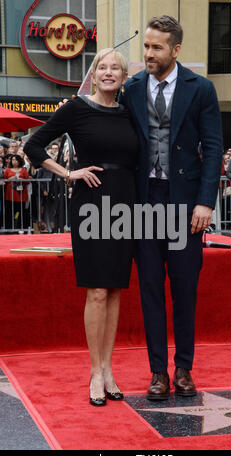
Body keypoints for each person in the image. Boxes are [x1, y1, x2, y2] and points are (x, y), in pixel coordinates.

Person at [24, 49, 139, 407]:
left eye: (115, 68)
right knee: (97, 291)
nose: (108, 73)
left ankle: (108, 370)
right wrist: (68, 173)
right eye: (102, 67)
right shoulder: (76, 108)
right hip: (91, 205)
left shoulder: (130, 111)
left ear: (123, 76)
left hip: (126, 204)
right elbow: (33, 145)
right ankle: (94, 372)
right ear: (93, 74)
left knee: (116, 290)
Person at [120, 15, 223, 400]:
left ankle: (183, 368)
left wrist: (205, 202)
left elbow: (213, 147)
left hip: (185, 204)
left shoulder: (201, 90)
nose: (148, 53)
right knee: (149, 288)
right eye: (146, 46)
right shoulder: (131, 88)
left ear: (175, 50)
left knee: (184, 288)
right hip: (144, 203)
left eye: (156, 47)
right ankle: (158, 372)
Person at [3, 155, 30, 231]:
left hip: (21, 195)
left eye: (16, 160)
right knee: (9, 212)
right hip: (10, 195)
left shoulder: (23, 170)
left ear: (19, 161)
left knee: (21, 212)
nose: (14, 161)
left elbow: (28, 181)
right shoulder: (7, 170)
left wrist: (22, 179)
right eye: (13, 160)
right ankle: (9, 228)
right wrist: (9, 179)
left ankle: (21, 228)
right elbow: (3, 181)